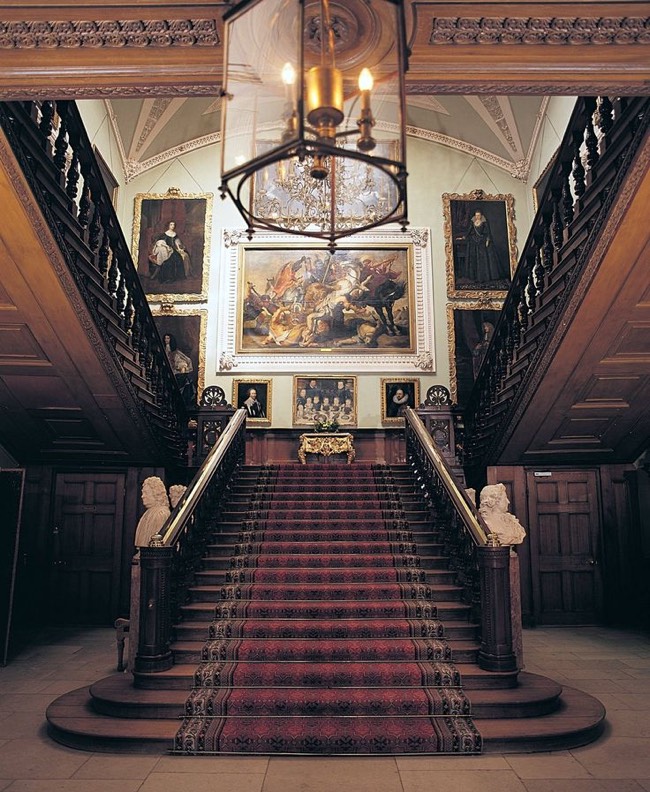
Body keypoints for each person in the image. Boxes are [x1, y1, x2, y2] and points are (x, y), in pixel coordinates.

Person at [458, 210, 507, 283]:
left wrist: (488, 240)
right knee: (475, 258)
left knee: (483, 258)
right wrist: (464, 237)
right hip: (474, 241)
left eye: (478, 215)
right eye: (476, 215)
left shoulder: (484, 222)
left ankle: (484, 277)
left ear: (481, 216)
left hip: (482, 240)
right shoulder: (473, 222)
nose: (477, 217)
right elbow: (469, 230)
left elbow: (488, 232)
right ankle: (475, 276)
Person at [134, 477, 170, 548]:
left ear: (156, 494)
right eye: (142, 493)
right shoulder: (148, 512)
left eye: (146, 493)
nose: (142, 496)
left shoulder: (161, 514)